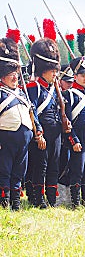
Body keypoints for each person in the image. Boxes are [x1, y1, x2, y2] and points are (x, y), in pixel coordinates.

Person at [26, 38, 62, 208]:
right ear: (43, 70)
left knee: (54, 166)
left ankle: (51, 198)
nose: (55, 74)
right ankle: (38, 199)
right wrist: (38, 133)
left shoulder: (54, 89)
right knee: (40, 166)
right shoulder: (33, 87)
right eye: (52, 71)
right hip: (42, 133)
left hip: (56, 133)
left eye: (55, 70)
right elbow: (33, 111)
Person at [0, 37, 34, 210]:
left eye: (16, 73)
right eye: (10, 74)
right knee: (4, 172)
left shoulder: (22, 93)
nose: (15, 77)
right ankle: (4, 204)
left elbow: (31, 114)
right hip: (6, 138)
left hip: (24, 140)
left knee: (18, 173)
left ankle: (16, 203)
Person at [64, 56, 85, 208]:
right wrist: (74, 140)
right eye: (82, 75)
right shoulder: (69, 94)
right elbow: (67, 122)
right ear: (75, 77)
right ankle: (76, 202)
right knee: (77, 169)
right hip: (78, 137)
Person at [56, 64, 75, 206]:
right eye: (67, 81)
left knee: (69, 166)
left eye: (71, 81)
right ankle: (59, 196)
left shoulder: (72, 95)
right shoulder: (55, 94)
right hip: (57, 137)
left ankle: (68, 196)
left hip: (71, 136)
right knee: (59, 166)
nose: (70, 84)